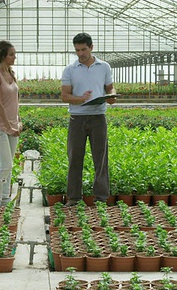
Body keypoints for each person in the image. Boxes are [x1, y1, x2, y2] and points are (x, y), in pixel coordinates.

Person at [61, 32, 116, 206]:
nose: (80, 54)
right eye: (77, 50)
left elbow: (110, 88)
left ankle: (101, 197)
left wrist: (112, 96)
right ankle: (74, 198)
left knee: (101, 158)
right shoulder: (70, 70)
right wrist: (81, 99)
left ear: (91, 47)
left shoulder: (104, 67)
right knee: (75, 158)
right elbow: (64, 95)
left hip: (98, 117)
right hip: (77, 118)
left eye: (83, 49)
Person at [0, 40, 22, 207]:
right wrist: (8, 126)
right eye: (11, 54)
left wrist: (18, 122)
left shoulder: (12, 73)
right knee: (5, 165)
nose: (14, 57)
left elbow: (15, 101)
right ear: (2, 56)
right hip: (0, 126)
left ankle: (5, 199)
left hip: (13, 126)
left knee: (10, 165)